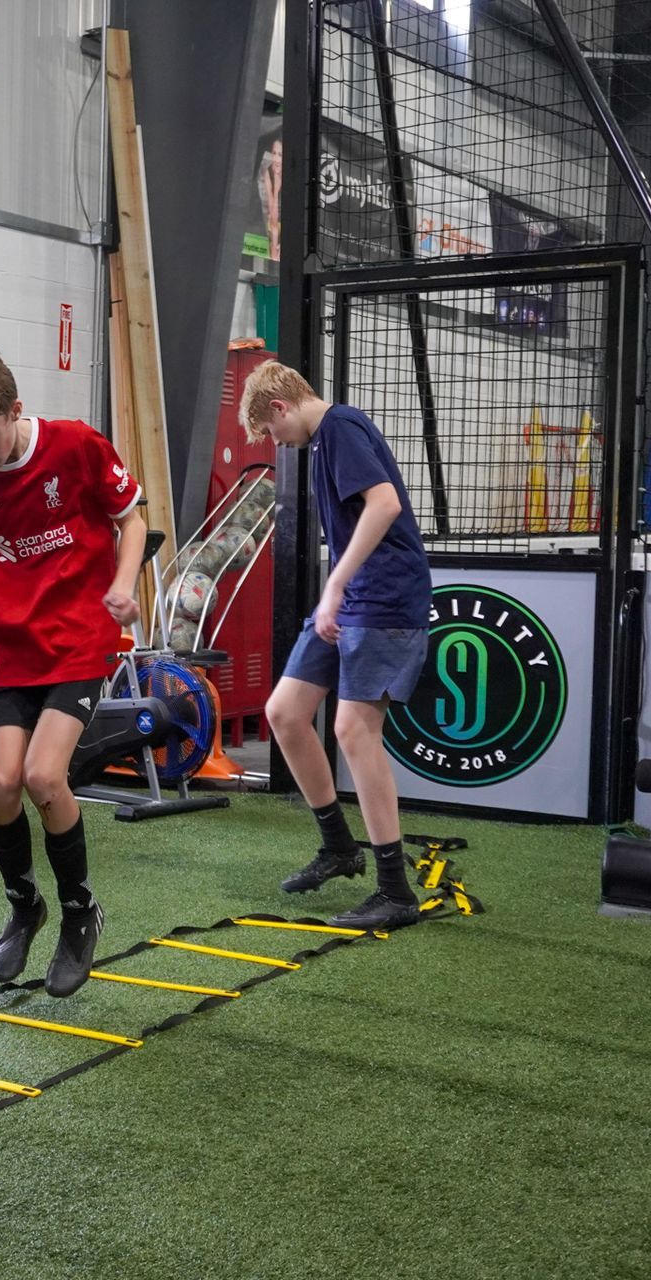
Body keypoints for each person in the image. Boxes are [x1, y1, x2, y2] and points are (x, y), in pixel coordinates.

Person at [0, 342, 147, 998]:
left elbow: (132, 518)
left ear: (15, 408)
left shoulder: (76, 448)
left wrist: (125, 585)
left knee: (44, 776)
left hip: (80, 642)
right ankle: (25, 905)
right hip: (9, 654)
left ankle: (79, 912)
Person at [239, 360, 432, 930]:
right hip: (352, 599)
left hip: (385, 595)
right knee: (286, 713)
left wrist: (335, 582)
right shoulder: (324, 441)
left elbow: (385, 504)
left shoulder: (341, 428)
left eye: (273, 433)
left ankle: (395, 892)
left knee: (353, 728)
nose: (279, 443)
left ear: (280, 408)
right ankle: (338, 848)